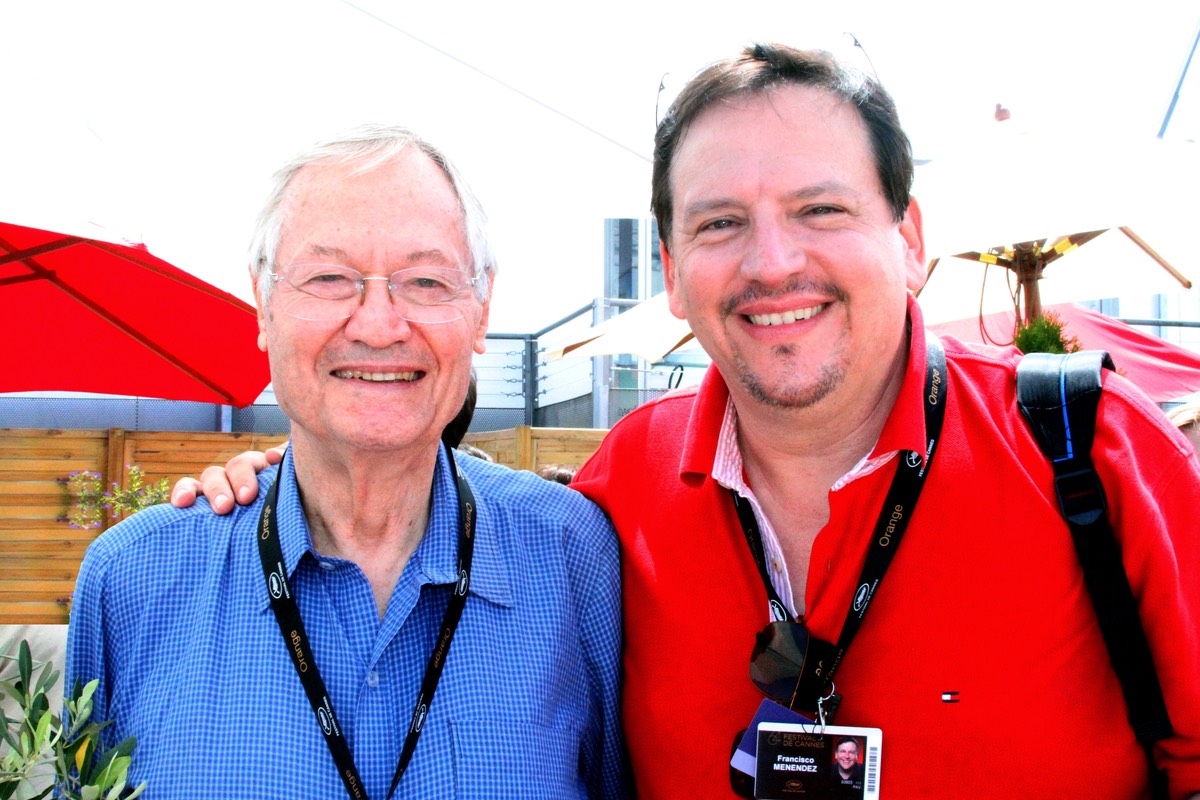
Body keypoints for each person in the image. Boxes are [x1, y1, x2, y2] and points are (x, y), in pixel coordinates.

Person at [172, 46, 1200, 799]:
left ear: (909, 236)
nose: (770, 262)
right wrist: (303, 471)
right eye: (719, 223)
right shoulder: (619, 492)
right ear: (669, 268)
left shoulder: (1095, 453)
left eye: (820, 209)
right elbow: (423, 490)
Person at [66, 125, 627, 799]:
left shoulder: (574, 557)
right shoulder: (132, 581)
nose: (378, 325)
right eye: (330, 277)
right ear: (264, 304)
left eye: (425, 279)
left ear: (481, 309)